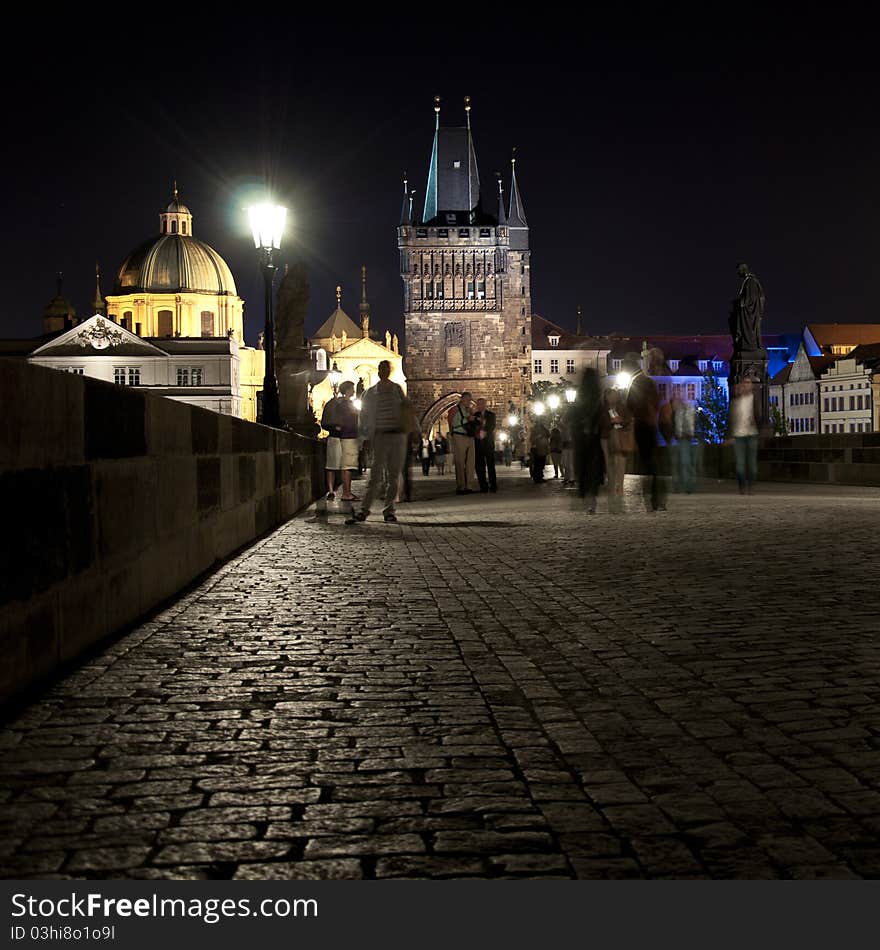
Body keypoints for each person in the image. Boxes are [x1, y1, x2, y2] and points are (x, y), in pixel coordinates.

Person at [351, 360, 406, 523]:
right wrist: (365, 438)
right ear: (378, 371)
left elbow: (406, 410)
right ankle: (364, 510)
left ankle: (389, 510)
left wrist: (414, 430)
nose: (384, 371)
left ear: (390, 371)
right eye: (381, 368)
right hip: (380, 437)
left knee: (393, 476)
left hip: (397, 436)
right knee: (375, 477)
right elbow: (363, 418)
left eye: (386, 368)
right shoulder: (369, 393)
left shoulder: (397, 389)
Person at [624, 352, 667, 512]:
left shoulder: (635, 383)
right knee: (654, 463)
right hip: (651, 425)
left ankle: (650, 498)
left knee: (644, 463)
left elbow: (629, 406)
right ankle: (657, 499)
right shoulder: (649, 382)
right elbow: (656, 402)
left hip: (641, 426)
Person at [571, 368, 605, 513]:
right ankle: (592, 499)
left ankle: (585, 497)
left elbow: (571, 417)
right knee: (594, 468)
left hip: (581, 438)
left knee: (583, 468)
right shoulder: (598, 398)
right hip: (595, 438)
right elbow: (603, 416)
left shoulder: (579, 398)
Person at [321, 380, 360, 502]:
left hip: (338, 436)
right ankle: (340, 491)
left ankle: (334, 490)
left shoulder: (337, 403)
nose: (353, 391)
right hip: (341, 436)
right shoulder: (343, 404)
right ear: (348, 389)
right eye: (352, 388)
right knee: (341, 465)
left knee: (335, 465)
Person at [600, 387, 632, 513]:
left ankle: (620, 486)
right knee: (610, 462)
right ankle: (612, 486)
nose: (613, 397)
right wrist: (611, 422)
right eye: (611, 395)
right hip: (607, 437)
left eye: (615, 395)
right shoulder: (603, 409)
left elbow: (629, 419)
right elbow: (601, 423)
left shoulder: (622, 407)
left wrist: (622, 421)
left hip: (620, 436)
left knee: (621, 462)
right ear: (606, 397)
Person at [727, 377, 759, 493]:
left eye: (748, 383)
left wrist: (756, 424)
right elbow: (730, 420)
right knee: (740, 463)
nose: (746, 385)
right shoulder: (735, 401)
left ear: (751, 386)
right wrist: (729, 436)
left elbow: (759, 416)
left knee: (751, 463)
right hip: (738, 435)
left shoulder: (754, 399)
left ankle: (750, 486)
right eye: (744, 383)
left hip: (751, 434)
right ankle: (742, 486)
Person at [728, 263, 765, 352]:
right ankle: (739, 339)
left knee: (734, 320)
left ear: (743, 270)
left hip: (749, 314)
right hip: (748, 312)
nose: (738, 274)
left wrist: (738, 303)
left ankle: (743, 341)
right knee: (732, 319)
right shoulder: (749, 281)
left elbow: (750, 299)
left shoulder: (750, 281)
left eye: (739, 272)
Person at [448, 392, 477, 494]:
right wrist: (467, 419)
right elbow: (453, 423)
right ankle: (460, 486)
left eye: (470, 400)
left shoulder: (469, 410)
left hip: (469, 436)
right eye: (468, 400)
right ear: (462, 399)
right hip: (459, 435)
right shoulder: (454, 410)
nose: (469, 402)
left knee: (470, 462)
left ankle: (469, 486)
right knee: (460, 462)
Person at [671, 393, 696, 493]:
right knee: (682, 462)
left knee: (684, 462)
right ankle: (684, 486)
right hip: (680, 437)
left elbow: (689, 424)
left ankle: (685, 486)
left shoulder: (684, 410)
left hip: (683, 438)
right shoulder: (680, 411)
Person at [473, 397, 498, 493]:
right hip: (478, 443)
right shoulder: (475, 415)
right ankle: (483, 485)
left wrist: (484, 429)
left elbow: (492, 426)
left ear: (485, 405)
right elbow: (473, 426)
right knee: (479, 466)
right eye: (478, 404)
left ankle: (493, 484)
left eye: (481, 404)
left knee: (491, 465)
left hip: (488, 443)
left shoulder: (491, 415)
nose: (479, 406)